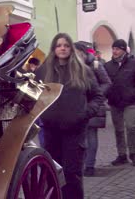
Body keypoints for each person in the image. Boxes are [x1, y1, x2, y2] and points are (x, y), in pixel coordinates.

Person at [34, 33, 104, 198]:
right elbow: (34, 94)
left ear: (71, 48)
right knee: (53, 172)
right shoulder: (44, 70)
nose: (63, 48)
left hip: (75, 130)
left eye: (66, 45)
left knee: (72, 173)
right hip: (51, 130)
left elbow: (97, 96)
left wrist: (85, 113)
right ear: (54, 49)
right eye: (59, 45)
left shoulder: (83, 71)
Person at [104, 39, 135, 167]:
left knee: (131, 126)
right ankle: (122, 155)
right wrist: (107, 95)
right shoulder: (108, 66)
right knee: (119, 129)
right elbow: (105, 83)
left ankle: (134, 154)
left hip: (132, 101)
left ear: (123, 50)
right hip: (115, 102)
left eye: (117, 49)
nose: (115, 51)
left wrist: (134, 93)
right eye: (113, 49)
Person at [74, 42, 111, 177]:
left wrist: (96, 95)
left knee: (91, 135)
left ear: (84, 53)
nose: (76, 56)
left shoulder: (96, 65)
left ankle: (89, 166)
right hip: (78, 106)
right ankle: (81, 164)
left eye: (78, 53)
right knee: (79, 137)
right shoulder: (73, 66)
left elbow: (107, 82)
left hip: (93, 105)